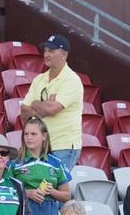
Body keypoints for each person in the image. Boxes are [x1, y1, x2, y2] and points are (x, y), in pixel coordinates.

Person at [19, 34, 84, 174]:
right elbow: (24, 112)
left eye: (52, 51)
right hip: (41, 146)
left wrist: (36, 104)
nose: (46, 54)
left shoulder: (72, 80)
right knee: (39, 189)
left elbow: (51, 108)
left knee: (50, 189)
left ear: (64, 54)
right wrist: (43, 105)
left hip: (63, 146)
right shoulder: (39, 79)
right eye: (46, 50)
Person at [13, 117, 71, 215]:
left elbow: (67, 195)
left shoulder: (56, 163)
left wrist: (51, 191)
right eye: (26, 134)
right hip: (25, 210)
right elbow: (6, 189)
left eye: (33, 134)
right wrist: (27, 193)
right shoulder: (15, 162)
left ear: (44, 136)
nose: (29, 137)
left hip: (50, 213)